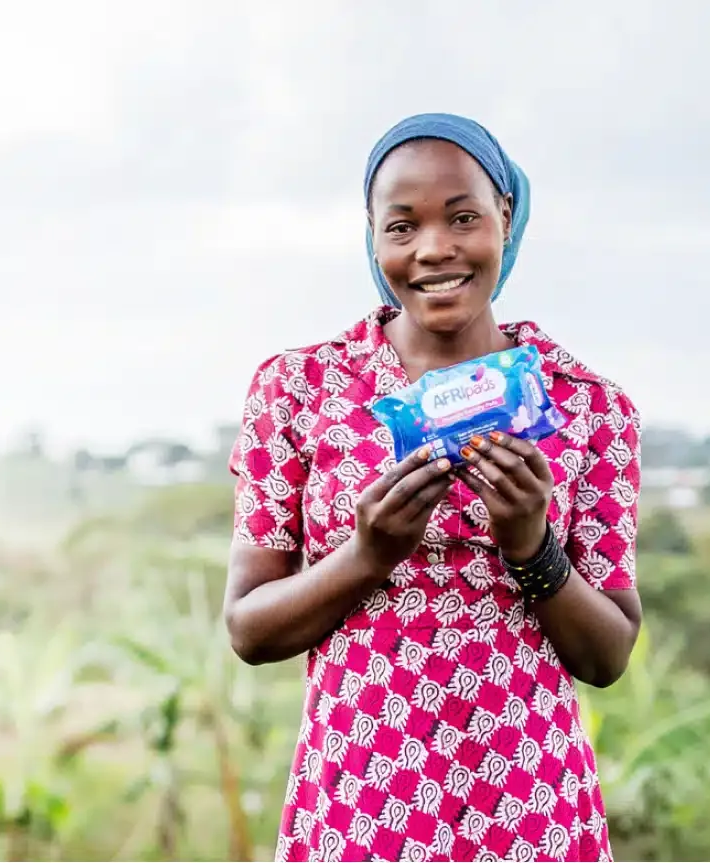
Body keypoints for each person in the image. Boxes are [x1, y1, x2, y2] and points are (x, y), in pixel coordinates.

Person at [223, 113, 643, 862]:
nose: (433, 248)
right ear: (372, 237)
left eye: (462, 217)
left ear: (505, 217)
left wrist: (532, 546)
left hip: (528, 809)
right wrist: (366, 554)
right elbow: (250, 631)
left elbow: (607, 655)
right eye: (402, 226)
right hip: (360, 807)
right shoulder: (299, 391)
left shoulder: (586, 405)